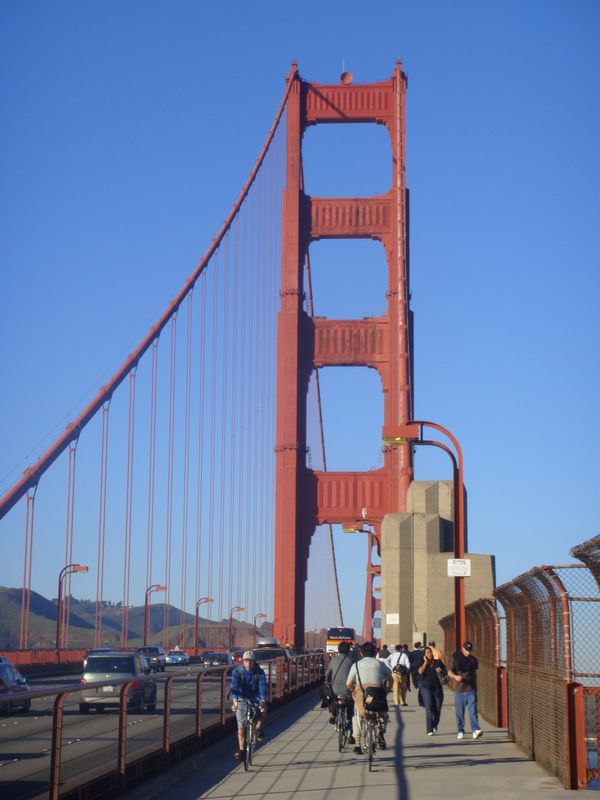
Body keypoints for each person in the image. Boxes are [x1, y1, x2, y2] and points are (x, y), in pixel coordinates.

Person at [346, 641, 392, 755]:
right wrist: (386, 690)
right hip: (378, 696)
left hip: (362, 696)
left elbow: (348, 683)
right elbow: (391, 679)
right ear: (375, 652)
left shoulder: (356, 665)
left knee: (357, 716)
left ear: (361, 653)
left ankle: (357, 744)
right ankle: (381, 731)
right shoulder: (381, 664)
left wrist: (353, 690)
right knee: (384, 714)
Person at [230, 650, 268, 760]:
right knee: (241, 726)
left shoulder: (259, 672)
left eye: (250, 661)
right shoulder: (237, 671)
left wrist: (263, 702)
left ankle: (258, 729)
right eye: (246, 661)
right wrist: (235, 702)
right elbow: (234, 688)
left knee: (263, 711)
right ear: (243, 661)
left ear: (254, 661)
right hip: (241, 697)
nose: (248, 663)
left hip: (255, 697)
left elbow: (263, 688)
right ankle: (241, 750)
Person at [447, 641, 482, 740]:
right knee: (459, 712)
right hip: (459, 690)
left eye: (469, 650)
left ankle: (476, 730)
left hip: (471, 689)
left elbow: (474, 672)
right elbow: (449, 672)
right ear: (462, 648)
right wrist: (455, 677)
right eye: (466, 650)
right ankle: (460, 730)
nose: (468, 652)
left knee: (472, 711)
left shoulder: (473, 660)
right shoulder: (456, 659)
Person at [325, 641, 355, 741]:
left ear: (338, 649)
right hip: (348, 690)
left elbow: (327, 675)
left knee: (331, 699)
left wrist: (327, 682)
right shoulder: (352, 661)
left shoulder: (333, 660)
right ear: (348, 650)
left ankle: (333, 713)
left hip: (335, 690)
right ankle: (351, 734)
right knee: (351, 710)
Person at [417, 645, 445, 736]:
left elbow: (445, 671)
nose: (429, 653)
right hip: (426, 687)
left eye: (430, 652)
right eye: (427, 652)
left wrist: (441, 670)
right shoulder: (422, 662)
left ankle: (434, 724)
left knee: (437, 708)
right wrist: (425, 662)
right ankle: (429, 729)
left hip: (437, 687)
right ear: (424, 654)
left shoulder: (438, 662)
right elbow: (420, 672)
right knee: (429, 708)